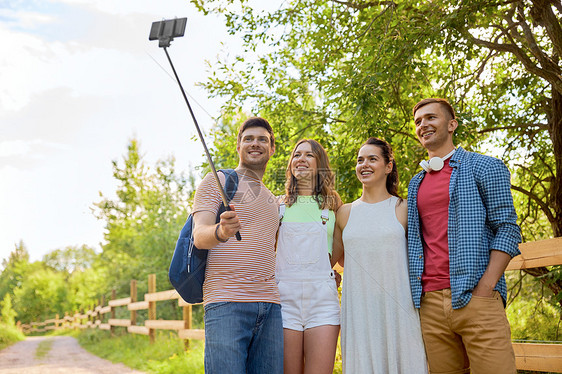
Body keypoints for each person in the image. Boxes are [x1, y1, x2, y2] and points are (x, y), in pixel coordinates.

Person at [408, 98, 521, 373]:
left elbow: (507, 228)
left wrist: (486, 287)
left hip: (476, 297)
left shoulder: (484, 166)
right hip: (430, 304)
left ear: (452, 124)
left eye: (431, 118)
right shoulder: (416, 183)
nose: (423, 125)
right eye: (418, 121)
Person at [192, 117, 283, 374]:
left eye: (262, 139)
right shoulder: (217, 181)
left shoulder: (272, 200)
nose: (256, 144)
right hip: (226, 302)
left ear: (272, 148)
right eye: (249, 139)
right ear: (238, 146)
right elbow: (200, 235)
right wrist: (221, 231)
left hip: (271, 307)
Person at [332, 137, 428, 373]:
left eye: (372, 159)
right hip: (359, 311)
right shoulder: (344, 213)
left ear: (388, 166)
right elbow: (330, 259)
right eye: (360, 160)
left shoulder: (404, 208)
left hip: (400, 309)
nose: (364, 164)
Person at [275, 139, 342, 374]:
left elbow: (341, 250)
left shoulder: (333, 204)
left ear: (320, 164)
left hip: (323, 301)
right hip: (284, 300)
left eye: (309, 155)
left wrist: (324, 273)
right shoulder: (278, 206)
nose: (301, 159)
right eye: (297, 155)